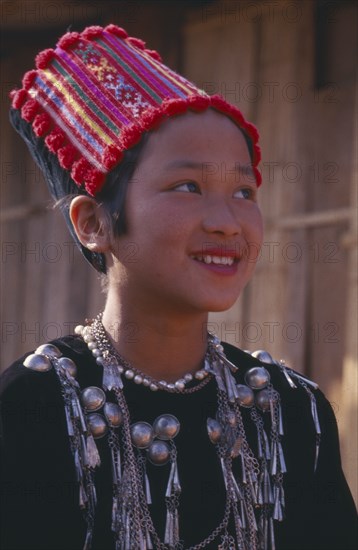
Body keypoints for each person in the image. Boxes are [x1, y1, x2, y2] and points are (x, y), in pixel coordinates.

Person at [0, 23, 356, 550]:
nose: (228, 222)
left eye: (243, 190)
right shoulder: (30, 409)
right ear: (94, 224)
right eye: (187, 186)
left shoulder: (291, 410)